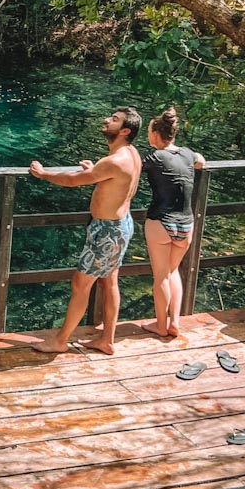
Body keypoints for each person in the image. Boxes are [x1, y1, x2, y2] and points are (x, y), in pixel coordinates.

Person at [29, 107, 142, 355]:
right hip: (120, 226)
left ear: (125, 131)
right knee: (109, 281)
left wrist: (44, 174)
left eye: (114, 120)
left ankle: (60, 341)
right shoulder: (131, 154)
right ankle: (107, 340)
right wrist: (95, 172)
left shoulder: (115, 161)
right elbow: (111, 179)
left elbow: (71, 181)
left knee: (81, 284)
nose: (106, 120)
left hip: (107, 232)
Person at [140, 106, 205, 338]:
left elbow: (130, 168)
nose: (148, 137)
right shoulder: (188, 153)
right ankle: (174, 321)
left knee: (160, 277)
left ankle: (160, 325)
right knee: (173, 271)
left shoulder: (154, 157)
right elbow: (201, 162)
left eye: (149, 132)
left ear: (157, 134)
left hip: (161, 222)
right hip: (186, 224)